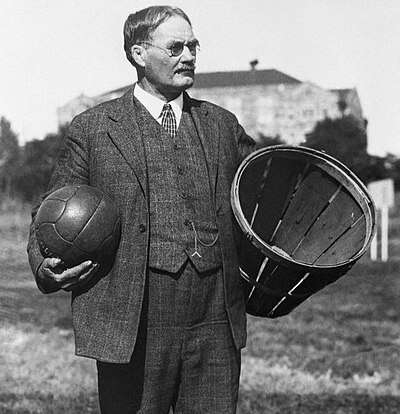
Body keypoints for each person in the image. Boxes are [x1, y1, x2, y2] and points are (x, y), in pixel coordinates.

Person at [27, 5, 256, 414]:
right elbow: (50, 210)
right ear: (139, 53)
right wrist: (44, 266)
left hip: (216, 321)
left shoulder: (222, 125)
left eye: (193, 46)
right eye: (176, 47)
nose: (189, 56)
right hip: (132, 320)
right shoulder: (94, 128)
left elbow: (263, 193)